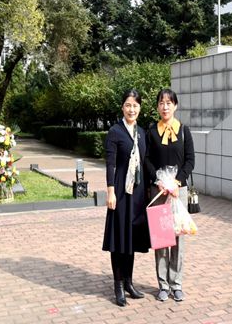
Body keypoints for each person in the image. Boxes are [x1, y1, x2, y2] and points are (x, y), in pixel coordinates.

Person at [145, 88, 195, 302]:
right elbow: (147, 159)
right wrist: (159, 181)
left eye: (169, 103)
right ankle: (163, 285)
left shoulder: (184, 131)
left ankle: (177, 284)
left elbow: (190, 161)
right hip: (158, 190)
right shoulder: (151, 132)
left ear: (175, 105)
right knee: (161, 237)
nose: (165, 107)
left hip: (178, 191)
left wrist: (176, 181)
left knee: (177, 237)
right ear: (157, 106)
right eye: (161, 103)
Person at [102, 89, 150, 307]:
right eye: (128, 105)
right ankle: (118, 286)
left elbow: (145, 162)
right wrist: (110, 191)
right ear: (122, 107)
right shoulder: (115, 131)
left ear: (140, 108)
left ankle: (129, 283)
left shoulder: (142, 132)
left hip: (137, 194)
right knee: (119, 239)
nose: (132, 109)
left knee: (131, 239)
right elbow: (110, 164)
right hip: (121, 191)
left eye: (135, 105)